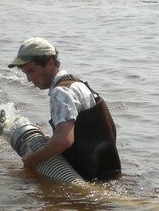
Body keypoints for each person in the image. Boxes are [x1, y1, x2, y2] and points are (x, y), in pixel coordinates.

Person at [8, 37, 121, 181]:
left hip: (87, 177)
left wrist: (31, 160)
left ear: (50, 62)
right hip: (108, 172)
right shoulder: (76, 83)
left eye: (32, 70)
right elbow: (85, 133)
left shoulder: (60, 92)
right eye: (26, 73)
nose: (29, 78)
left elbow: (64, 140)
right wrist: (54, 139)